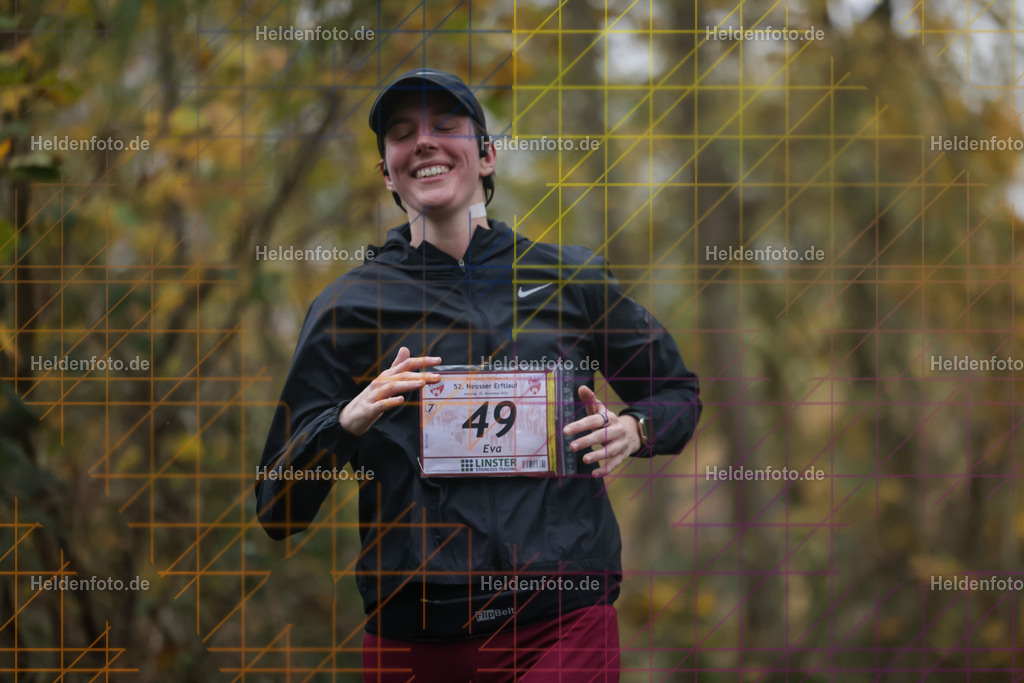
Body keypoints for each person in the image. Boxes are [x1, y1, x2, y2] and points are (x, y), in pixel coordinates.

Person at [256, 68, 702, 682]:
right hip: (413, 637)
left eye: (446, 126)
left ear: (487, 156)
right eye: (403, 134)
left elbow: (676, 392)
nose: (425, 143)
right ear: (387, 172)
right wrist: (345, 421)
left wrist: (635, 427)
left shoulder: (573, 281)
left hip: (562, 620)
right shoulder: (348, 307)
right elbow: (277, 507)